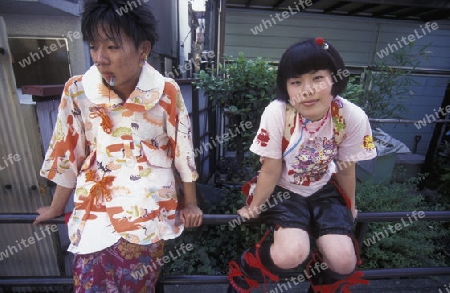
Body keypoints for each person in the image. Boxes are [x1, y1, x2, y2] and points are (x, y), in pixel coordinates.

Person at [33, 0, 203, 292]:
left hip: (148, 208)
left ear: (143, 50)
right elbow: (69, 152)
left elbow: (182, 151)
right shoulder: (77, 91)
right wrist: (56, 207)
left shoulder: (166, 91)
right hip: (95, 208)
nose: (99, 58)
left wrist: (190, 203)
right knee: (88, 283)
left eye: (111, 47)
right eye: (93, 46)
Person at [228, 38, 377, 293]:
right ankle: (245, 273)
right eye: (296, 82)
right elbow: (271, 169)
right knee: (291, 253)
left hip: (323, 189)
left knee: (344, 260)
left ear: (335, 78)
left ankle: (318, 279)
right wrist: (254, 207)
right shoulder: (278, 113)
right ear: (286, 87)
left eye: (318, 78)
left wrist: (351, 205)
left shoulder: (350, 116)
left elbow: (346, 167)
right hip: (284, 189)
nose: (307, 90)